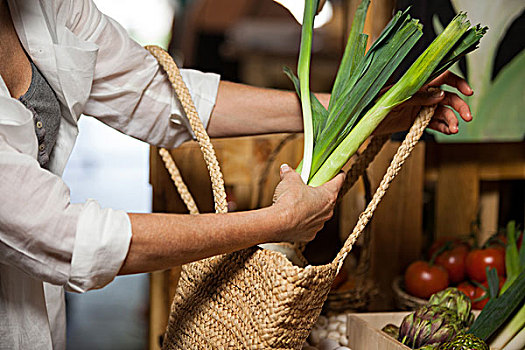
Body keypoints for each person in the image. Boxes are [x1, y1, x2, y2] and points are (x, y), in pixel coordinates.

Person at [0, 0, 473, 349]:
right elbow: (65, 236)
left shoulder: (43, 5)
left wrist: (365, 111)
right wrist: (273, 223)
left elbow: (156, 93)